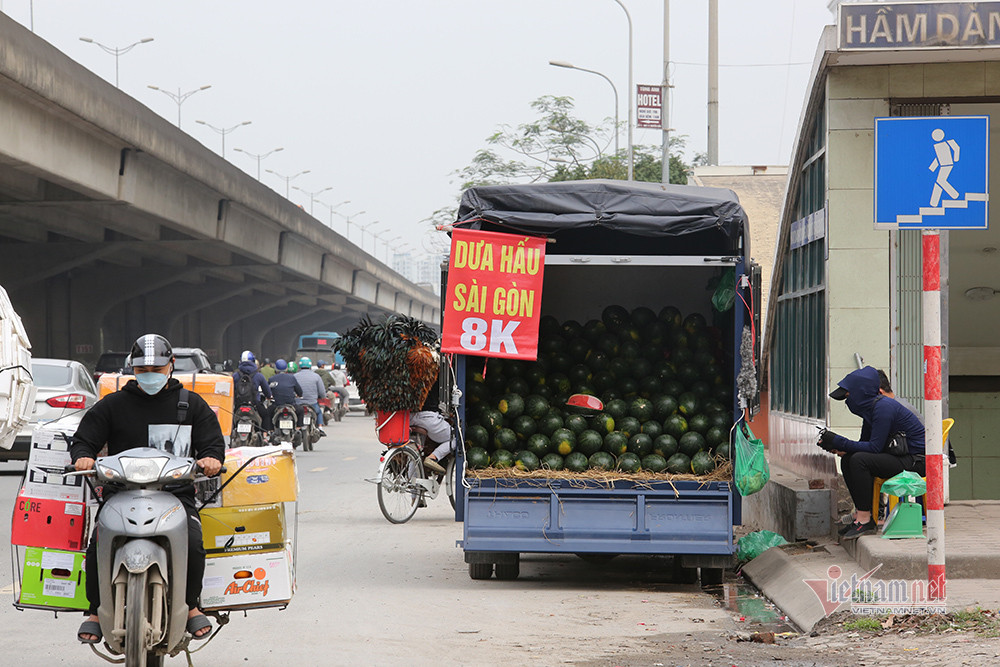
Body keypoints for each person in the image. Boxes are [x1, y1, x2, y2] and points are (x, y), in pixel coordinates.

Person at [71, 334, 224, 644]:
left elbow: (212, 443)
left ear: (171, 366)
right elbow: (84, 438)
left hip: (175, 494)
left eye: (156, 368)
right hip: (121, 492)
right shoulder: (113, 404)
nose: (150, 374)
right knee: (98, 543)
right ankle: (95, 612)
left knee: (194, 542)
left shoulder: (192, 404)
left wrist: (211, 459)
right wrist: (82, 456)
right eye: (143, 370)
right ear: (133, 370)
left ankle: (191, 605)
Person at [819, 366, 926, 539]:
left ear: (860, 393)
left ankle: (865, 519)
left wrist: (840, 440)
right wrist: (839, 447)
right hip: (900, 457)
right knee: (849, 459)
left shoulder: (884, 408)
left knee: (859, 460)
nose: (847, 402)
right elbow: (864, 444)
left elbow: (874, 448)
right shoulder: (871, 409)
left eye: (848, 396)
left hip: (917, 461)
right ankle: (861, 516)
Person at [413, 375, 453, 474]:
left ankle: (410, 480)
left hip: (409, 418)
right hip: (428, 417)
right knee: (456, 438)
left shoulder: (412, 371)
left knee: (414, 450)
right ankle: (433, 457)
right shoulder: (435, 372)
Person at [232, 350, 273, 430]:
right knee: (266, 415)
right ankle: (265, 435)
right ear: (253, 361)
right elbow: (267, 391)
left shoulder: (235, 375)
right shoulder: (258, 376)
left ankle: (232, 434)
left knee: (231, 417)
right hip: (254, 404)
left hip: (238, 404)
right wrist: (269, 396)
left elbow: (230, 390)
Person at [267, 358, 304, 427]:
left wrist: (269, 396)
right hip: (291, 404)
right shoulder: (292, 378)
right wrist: (299, 395)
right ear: (286, 368)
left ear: (275, 368)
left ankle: (270, 430)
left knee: (268, 413)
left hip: (277, 405)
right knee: (301, 410)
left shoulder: (272, 379)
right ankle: (299, 428)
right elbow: (299, 391)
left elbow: (268, 392)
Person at [294, 357, 327, 433]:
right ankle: (320, 428)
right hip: (312, 403)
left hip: (298, 403)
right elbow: (322, 391)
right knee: (318, 412)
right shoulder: (316, 376)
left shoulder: (295, 376)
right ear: (310, 366)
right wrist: (323, 397)